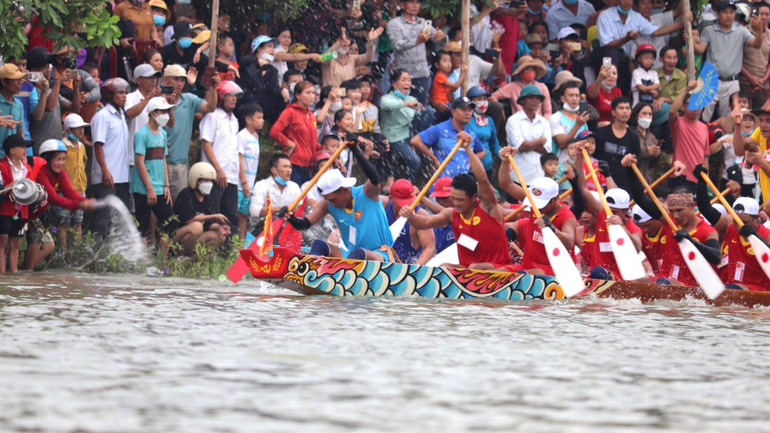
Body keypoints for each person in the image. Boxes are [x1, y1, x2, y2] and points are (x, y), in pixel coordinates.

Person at [398, 136, 511, 269]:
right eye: (453, 198)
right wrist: (410, 216)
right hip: (468, 270)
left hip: (498, 269)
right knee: (443, 267)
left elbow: (482, 179)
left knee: (475, 267)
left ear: (473, 197)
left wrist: (468, 149)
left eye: (460, 200)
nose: (456, 203)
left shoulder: (487, 207)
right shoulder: (451, 214)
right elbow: (424, 223)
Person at [287, 141, 394, 261]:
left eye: (333, 199)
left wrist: (355, 150)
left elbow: (374, 178)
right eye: (328, 200)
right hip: (351, 256)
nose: (331, 204)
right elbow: (304, 224)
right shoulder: (328, 204)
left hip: (380, 256)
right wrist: (290, 217)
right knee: (319, 245)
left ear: (344, 190)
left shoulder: (366, 193)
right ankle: (313, 269)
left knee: (360, 253)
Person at [624, 159, 721, 285]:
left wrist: (691, 241)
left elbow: (716, 257)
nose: (675, 216)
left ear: (692, 206)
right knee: (632, 283)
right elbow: (640, 198)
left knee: (663, 283)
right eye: (672, 211)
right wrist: (630, 169)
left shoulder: (707, 231)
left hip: (691, 287)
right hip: (665, 281)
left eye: (680, 210)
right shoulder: (669, 220)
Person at [497, 153, 578, 274]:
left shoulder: (567, 217)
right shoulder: (535, 203)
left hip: (554, 272)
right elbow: (505, 184)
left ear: (555, 199)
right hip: (528, 267)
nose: (536, 208)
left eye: (541, 204)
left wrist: (552, 229)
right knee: (498, 274)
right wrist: (505, 161)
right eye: (535, 202)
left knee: (524, 276)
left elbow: (569, 243)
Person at [574, 144, 644, 281]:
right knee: (597, 272)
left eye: (614, 212)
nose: (609, 214)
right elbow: (581, 187)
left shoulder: (633, 227)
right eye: (607, 210)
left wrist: (622, 228)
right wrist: (579, 156)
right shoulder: (602, 214)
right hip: (596, 276)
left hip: (620, 280)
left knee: (600, 273)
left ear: (625, 211)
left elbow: (637, 249)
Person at [24, 139, 97, 270]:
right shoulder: (41, 172)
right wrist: (79, 205)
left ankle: (25, 272)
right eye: (58, 159)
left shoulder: (59, 172)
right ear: (47, 158)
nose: (61, 163)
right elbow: (54, 198)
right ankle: (25, 271)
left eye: (63, 159)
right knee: (35, 240)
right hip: (25, 213)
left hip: (36, 214)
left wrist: (83, 200)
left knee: (49, 245)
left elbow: (69, 191)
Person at [695, 173, 770, 291]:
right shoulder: (729, 226)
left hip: (759, 290)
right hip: (732, 287)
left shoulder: (767, 235)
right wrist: (701, 183)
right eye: (736, 221)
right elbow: (705, 208)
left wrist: (756, 237)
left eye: (745, 222)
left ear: (756, 218)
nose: (739, 226)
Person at [694, 0, 766, 121]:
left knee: (728, 118)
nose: (728, 15)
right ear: (718, 14)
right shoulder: (709, 30)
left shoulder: (741, 31)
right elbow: (700, 50)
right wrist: (690, 40)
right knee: (703, 116)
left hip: (732, 81)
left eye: (731, 12)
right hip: (711, 80)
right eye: (725, 12)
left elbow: (757, 44)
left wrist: (759, 30)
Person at [162, 64, 219, 200]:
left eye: (182, 80)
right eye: (176, 79)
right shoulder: (157, 100)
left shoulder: (189, 99)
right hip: (159, 161)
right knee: (160, 204)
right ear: (165, 79)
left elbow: (210, 107)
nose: (179, 83)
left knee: (180, 202)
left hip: (181, 162)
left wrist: (213, 87)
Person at [130, 96, 176, 245]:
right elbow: (139, 162)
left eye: (167, 111)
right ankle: (143, 259)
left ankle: (162, 258)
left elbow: (163, 159)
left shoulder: (163, 134)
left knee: (170, 224)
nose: (166, 115)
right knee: (143, 229)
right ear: (153, 113)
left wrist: (166, 185)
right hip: (143, 188)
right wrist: (149, 188)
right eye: (163, 112)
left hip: (160, 187)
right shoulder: (142, 134)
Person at [200, 80, 242, 237]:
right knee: (213, 215)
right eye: (229, 95)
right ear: (221, 97)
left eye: (235, 95)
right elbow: (206, 144)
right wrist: (218, 169)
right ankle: (210, 247)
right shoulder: (212, 117)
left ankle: (228, 249)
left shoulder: (235, 120)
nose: (234, 98)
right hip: (215, 175)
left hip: (231, 176)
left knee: (231, 216)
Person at [90, 78, 131, 239]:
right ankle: (97, 250)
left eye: (125, 92)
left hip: (122, 176)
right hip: (107, 177)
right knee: (103, 219)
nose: (124, 96)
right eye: (120, 93)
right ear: (109, 95)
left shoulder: (121, 116)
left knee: (121, 219)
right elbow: (98, 145)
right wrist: (105, 170)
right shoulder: (103, 116)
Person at [387, 0, 446, 106]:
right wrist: (417, 41)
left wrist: (442, 36)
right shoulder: (394, 23)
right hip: (402, 75)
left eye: (418, 2)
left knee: (421, 108)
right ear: (402, 5)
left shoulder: (423, 22)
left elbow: (438, 41)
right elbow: (397, 45)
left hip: (421, 73)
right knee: (402, 108)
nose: (415, 5)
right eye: (411, 2)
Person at [411, 97, 486, 180]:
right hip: (441, 182)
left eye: (470, 110)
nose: (468, 113)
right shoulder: (440, 129)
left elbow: (482, 151)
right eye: (464, 110)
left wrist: (470, 163)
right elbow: (415, 141)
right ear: (453, 112)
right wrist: (434, 159)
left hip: (461, 183)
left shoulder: (470, 134)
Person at [172, 162, 232, 255]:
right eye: (205, 181)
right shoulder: (186, 194)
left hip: (196, 237)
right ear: (195, 180)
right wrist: (215, 216)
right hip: (178, 235)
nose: (209, 184)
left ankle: (192, 259)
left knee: (219, 236)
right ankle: (177, 257)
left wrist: (220, 227)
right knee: (197, 226)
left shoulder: (208, 198)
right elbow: (188, 219)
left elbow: (208, 224)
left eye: (211, 181)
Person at [270, 81, 323, 186]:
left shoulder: (311, 115)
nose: (312, 96)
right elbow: (274, 132)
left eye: (313, 93)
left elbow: (312, 141)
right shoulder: (290, 111)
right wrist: (290, 144)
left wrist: (326, 150)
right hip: (293, 163)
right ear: (298, 95)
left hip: (309, 165)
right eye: (308, 93)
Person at [380, 69, 427, 181]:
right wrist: (406, 104)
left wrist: (419, 110)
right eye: (403, 80)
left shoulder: (412, 99)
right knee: (415, 161)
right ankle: (404, 186)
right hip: (395, 137)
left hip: (410, 134)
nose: (407, 83)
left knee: (428, 112)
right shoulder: (387, 98)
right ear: (393, 83)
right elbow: (385, 105)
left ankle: (418, 140)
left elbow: (418, 119)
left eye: (409, 80)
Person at [54, 114, 91, 249]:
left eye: (82, 128)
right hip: (65, 191)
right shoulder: (62, 146)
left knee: (77, 222)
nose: (81, 131)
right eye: (77, 128)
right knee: (63, 222)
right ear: (68, 130)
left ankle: (76, 250)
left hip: (80, 189)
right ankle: (63, 251)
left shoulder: (81, 146)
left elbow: (84, 160)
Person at [0, 134, 33, 273]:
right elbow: (2, 190)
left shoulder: (27, 168)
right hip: (5, 210)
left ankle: (14, 274)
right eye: (22, 147)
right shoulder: (2, 166)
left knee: (15, 242)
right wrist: (12, 185)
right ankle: (1, 274)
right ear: (12, 150)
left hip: (21, 211)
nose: (25, 150)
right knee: (2, 241)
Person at [382, 178, 436, 265]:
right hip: (382, 260)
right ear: (391, 198)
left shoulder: (421, 214)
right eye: (402, 202)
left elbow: (429, 248)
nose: (407, 207)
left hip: (409, 263)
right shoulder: (382, 205)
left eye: (409, 201)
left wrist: (414, 269)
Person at [668, 80, 708, 193]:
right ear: (684, 106)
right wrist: (686, 89)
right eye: (691, 105)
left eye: (697, 105)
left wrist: (706, 180)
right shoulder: (678, 122)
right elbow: (672, 111)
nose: (695, 108)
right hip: (680, 174)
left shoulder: (704, 127)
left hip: (698, 178)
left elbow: (705, 156)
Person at [507, 85, 552, 185]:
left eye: (537, 98)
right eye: (531, 97)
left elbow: (546, 150)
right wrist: (540, 141)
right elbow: (520, 146)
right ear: (522, 100)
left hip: (541, 177)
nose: (535, 101)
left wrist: (529, 145)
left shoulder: (544, 122)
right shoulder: (513, 120)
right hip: (519, 177)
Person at [593, 96, 640, 191]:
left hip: (624, 184)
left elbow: (637, 160)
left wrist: (631, 161)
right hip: (601, 182)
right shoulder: (601, 133)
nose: (625, 111)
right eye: (621, 108)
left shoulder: (634, 137)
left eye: (627, 108)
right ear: (613, 112)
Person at [126, 64, 163, 170]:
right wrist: (148, 98)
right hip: (135, 158)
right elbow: (129, 114)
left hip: (155, 158)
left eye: (155, 77)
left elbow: (165, 125)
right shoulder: (130, 98)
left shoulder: (158, 100)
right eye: (149, 77)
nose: (153, 80)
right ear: (138, 80)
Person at [236, 103, 263, 241]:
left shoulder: (256, 136)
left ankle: (241, 244)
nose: (262, 121)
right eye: (259, 117)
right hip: (240, 185)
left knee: (243, 216)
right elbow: (239, 159)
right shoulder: (242, 136)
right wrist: (244, 182)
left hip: (249, 185)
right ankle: (231, 244)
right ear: (248, 119)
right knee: (234, 214)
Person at [550, 72, 589, 163]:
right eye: (571, 95)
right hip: (561, 166)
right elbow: (562, 143)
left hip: (580, 165)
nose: (574, 99)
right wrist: (577, 125)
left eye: (577, 95)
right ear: (562, 98)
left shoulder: (582, 120)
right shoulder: (555, 117)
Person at [249, 153, 301, 221]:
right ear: (273, 170)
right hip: (264, 224)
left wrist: (294, 210)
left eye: (290, 167)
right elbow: (254, 211)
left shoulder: (294, 187)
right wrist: (281, 209)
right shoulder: (261, 185)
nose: (289, 170)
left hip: (287, 224)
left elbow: (300, 209)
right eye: (285, 166)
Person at [466, 86, 500, 180]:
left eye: (485, 99)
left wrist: (504, 155)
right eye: (479, 99)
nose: (483, 102)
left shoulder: (489, 120)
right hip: (470, 168)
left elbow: (494, 145)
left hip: (487, 167)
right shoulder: (466, 120)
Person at [0, 64, 25, 155]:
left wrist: (23, 155)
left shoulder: (18, 104)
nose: (20, 83)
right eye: (16, 79)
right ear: (4, 82)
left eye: (20, 79)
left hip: (12, 157)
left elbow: (20, 132)